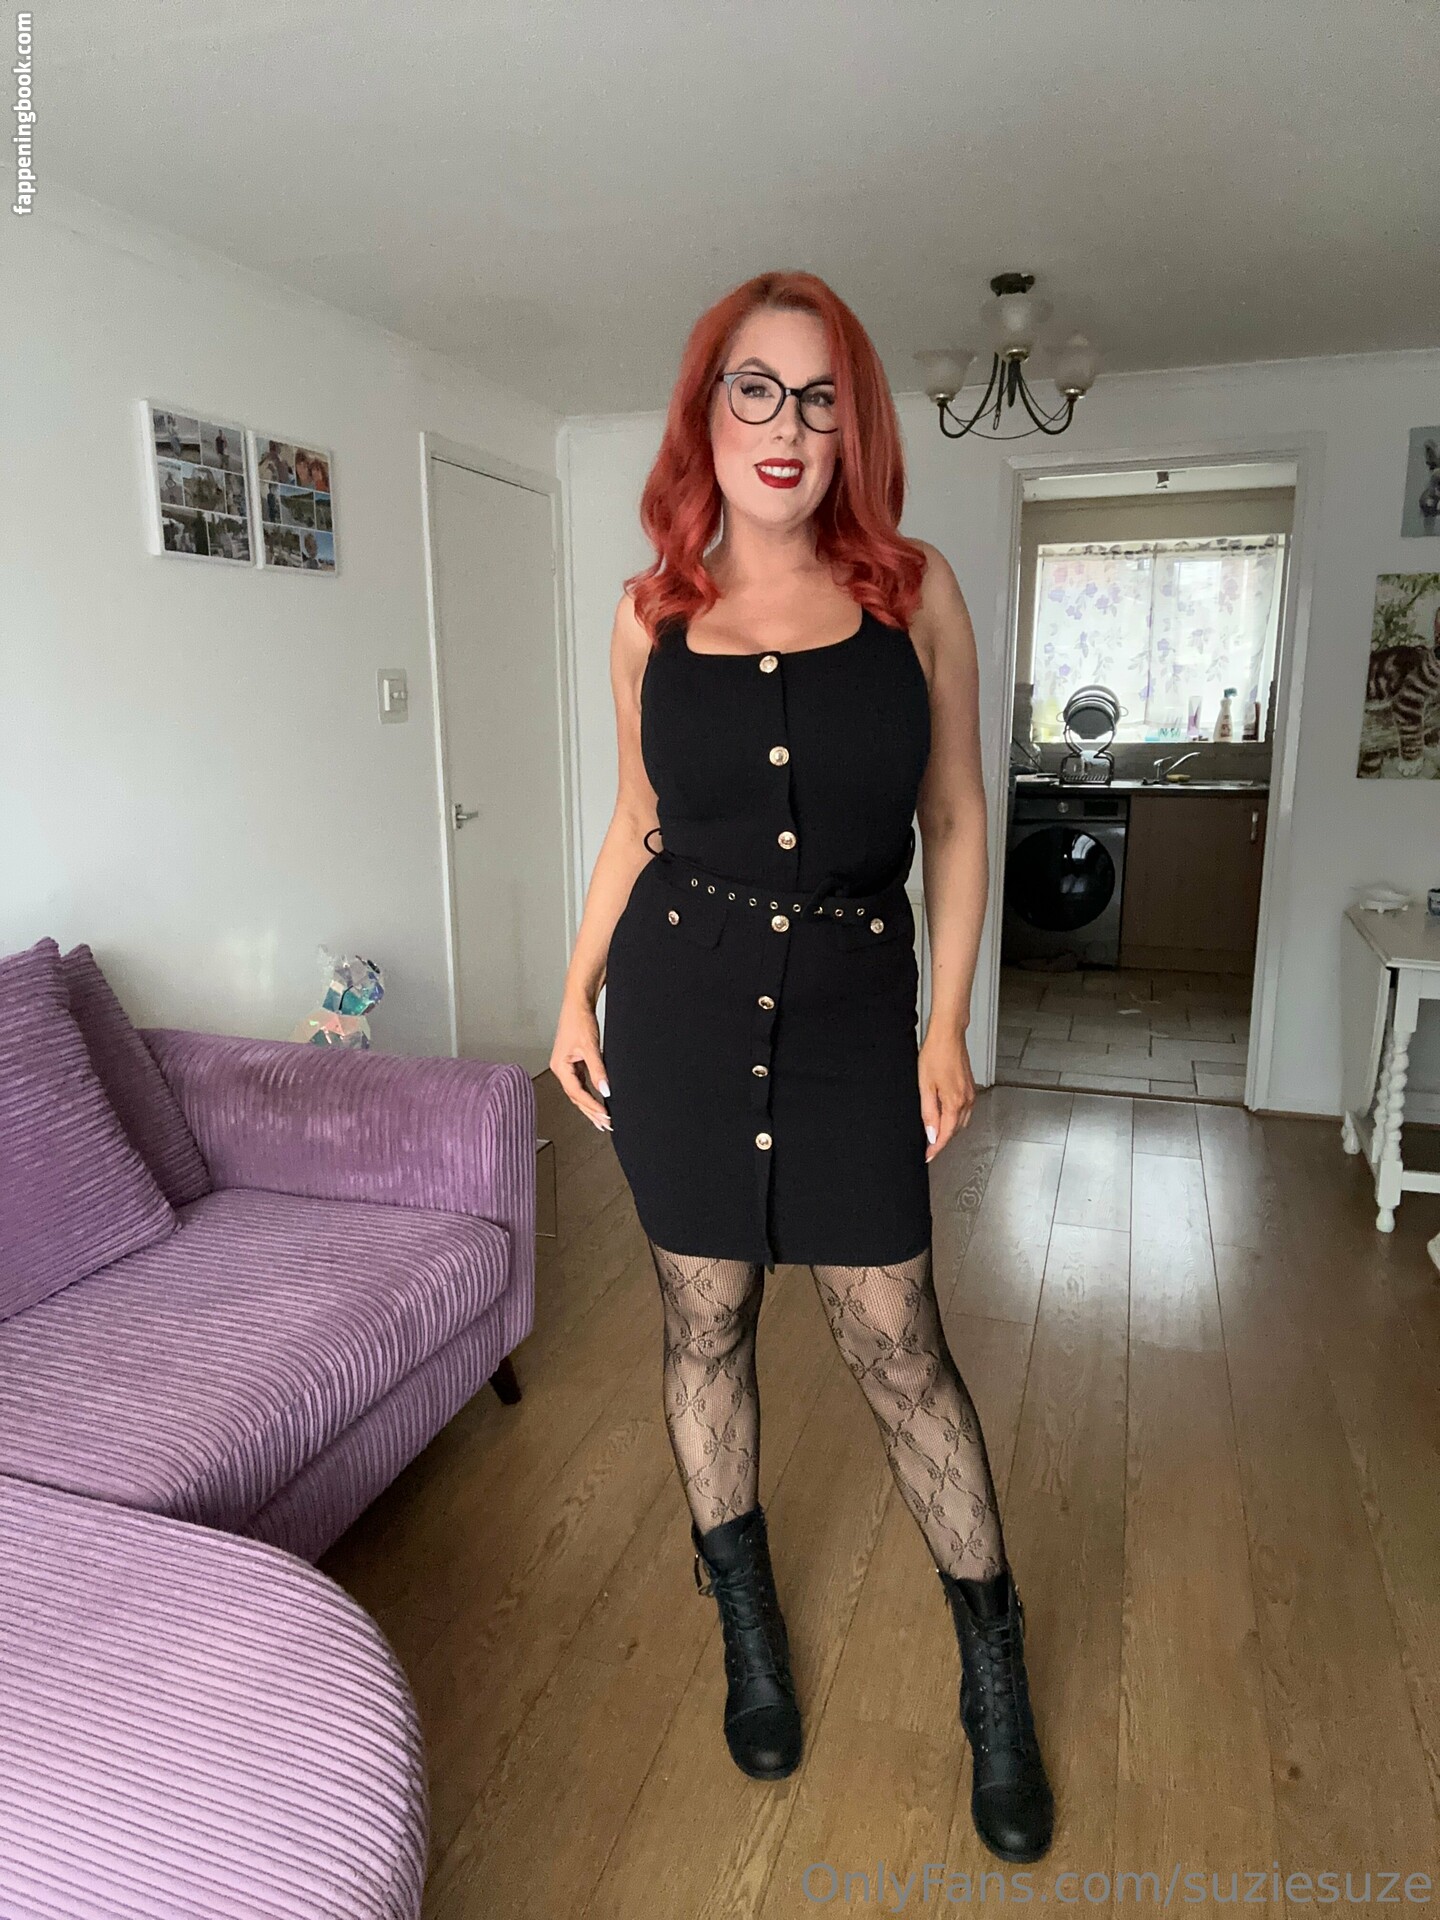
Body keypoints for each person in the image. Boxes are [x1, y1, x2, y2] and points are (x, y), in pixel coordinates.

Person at [549, 270, 1053, 1863]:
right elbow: (639, 820)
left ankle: (993, 1670)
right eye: (755, 389)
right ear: (707, 411)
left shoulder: (914, 594)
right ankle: (748, 1627)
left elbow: (956, 816)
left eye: (822, 396)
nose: (789, 423)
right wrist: (573, 993)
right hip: (679, 1012)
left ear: (857, 427)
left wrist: (947, 1019)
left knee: (899, 1343)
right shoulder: (650, 615)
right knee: (704, 1324)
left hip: (848, 1015)